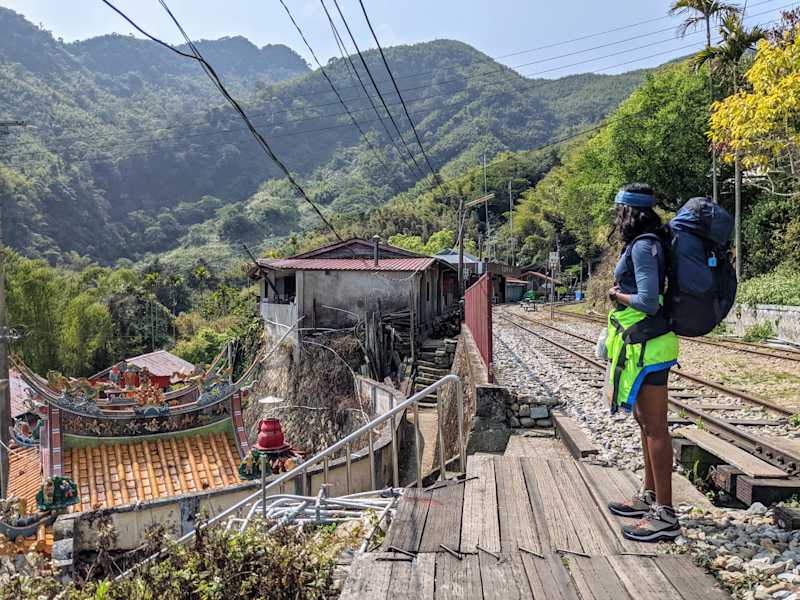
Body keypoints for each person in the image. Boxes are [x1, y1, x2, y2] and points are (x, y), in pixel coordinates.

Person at [604, 183, 680, 543]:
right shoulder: (646, 244)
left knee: (655, 428)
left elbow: (649, 301)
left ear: (628, 213)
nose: (615, 218)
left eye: (618, 211)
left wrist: (616, 294)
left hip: (651, 347)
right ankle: (650, 497)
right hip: (643, 345)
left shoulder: (645, 247)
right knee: (644, 423)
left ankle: (665, 514)